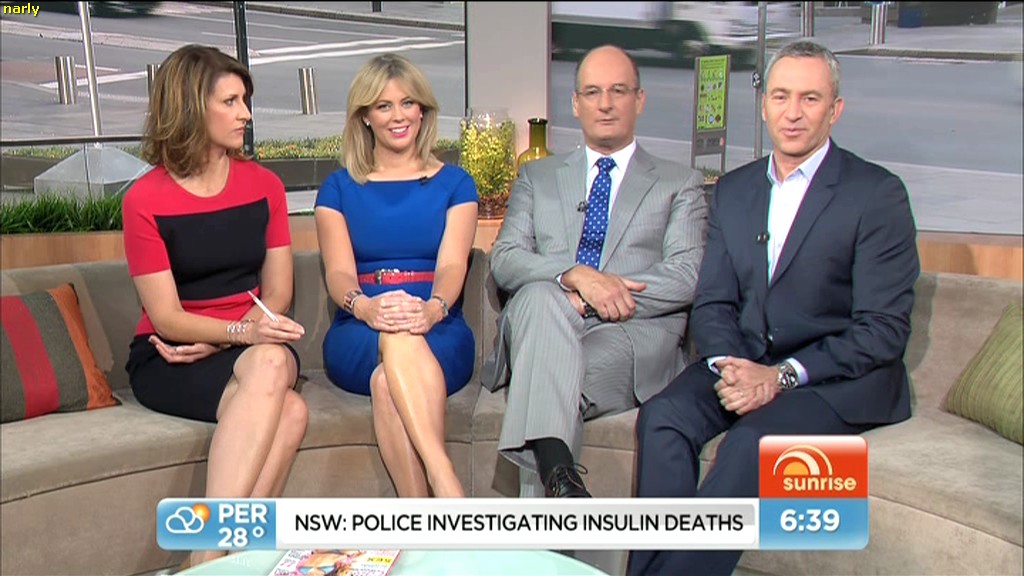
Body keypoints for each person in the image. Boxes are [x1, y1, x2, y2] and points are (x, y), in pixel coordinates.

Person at [627, 40, 920, 576]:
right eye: (781, 96)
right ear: (763, 105)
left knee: (752, 444)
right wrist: (732, 365)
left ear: (835, 109)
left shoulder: (876, 195)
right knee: (663, 417)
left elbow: (883, 330)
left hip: (832, 380)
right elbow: (714, 301)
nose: (793, 112)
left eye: (810, 98)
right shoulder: (735, 190)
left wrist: (780, 376)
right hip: (744, 361)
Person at [484, 44, 708, 498]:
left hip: (628, 332)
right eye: (592, 92)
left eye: (618, 91)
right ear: (575, 103)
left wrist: (594, 295)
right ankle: (562, 488)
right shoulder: (537, 177)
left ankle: (555, 487)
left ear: (639, 100)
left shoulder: (679, 182)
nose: (605, 104)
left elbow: (686, 274)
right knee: (541, 299)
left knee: (545, 378)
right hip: (543, 317)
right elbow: (505, 258)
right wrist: (573, 274)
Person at [122, 45, 308, 568]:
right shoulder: (144, 199)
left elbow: (277, 294)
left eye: (245, 100)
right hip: (171, 354)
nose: (245, 114)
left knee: (272, 367)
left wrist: (231, 337)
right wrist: (231, 336)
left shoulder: (264, 186)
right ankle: (221, 560)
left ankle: (208, 559)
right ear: (189, 108)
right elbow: (166, 317)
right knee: (289, 407)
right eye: (230, 102)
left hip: (249, 341)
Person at [314, 53, 478, 498]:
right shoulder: (339, 188)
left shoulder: (456, 184)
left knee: (388, 382)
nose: (399, 116)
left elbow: (452, 265)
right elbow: (339, 271)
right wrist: (365, 307)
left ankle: (421, 513)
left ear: (423, 110)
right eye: (384, 106)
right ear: (365, 116)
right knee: (394, 337)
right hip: (360, 327)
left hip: (439, 325)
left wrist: (433, 309)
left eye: (408, 103)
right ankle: (445, 479)